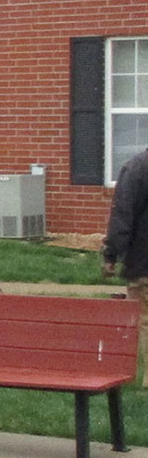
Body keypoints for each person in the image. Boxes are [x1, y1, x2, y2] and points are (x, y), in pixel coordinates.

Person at [103, 145, 148, 384]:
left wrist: (111, 255)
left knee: (145, 320)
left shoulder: (137, 167)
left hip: (143, 262)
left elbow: (123, 216)